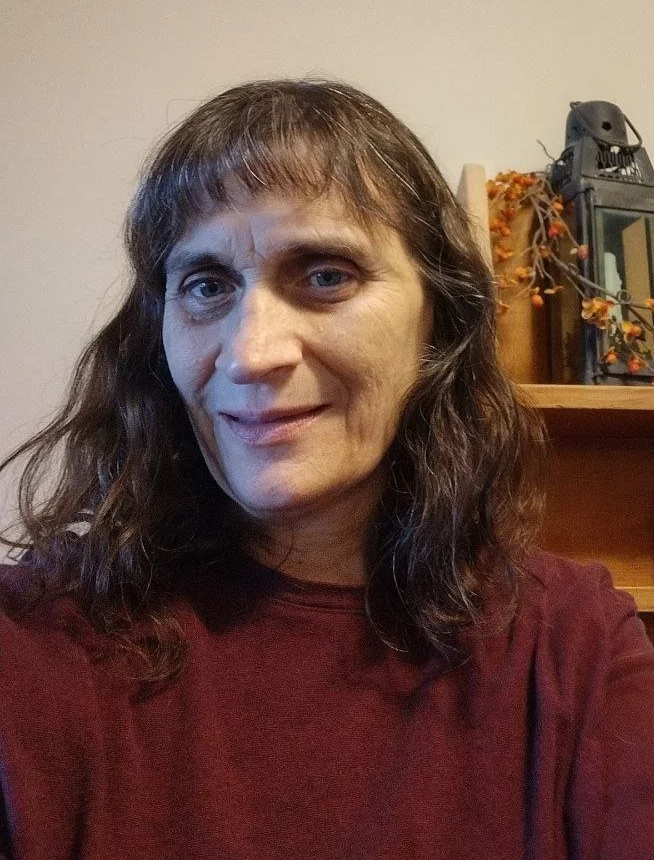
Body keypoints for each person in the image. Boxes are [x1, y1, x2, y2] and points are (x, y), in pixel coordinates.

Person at [0, 78, 653, 860]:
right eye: (207, 286)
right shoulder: (43, 639)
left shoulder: (575, 650)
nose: (250, 353)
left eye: (325, 274)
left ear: (436, 320)